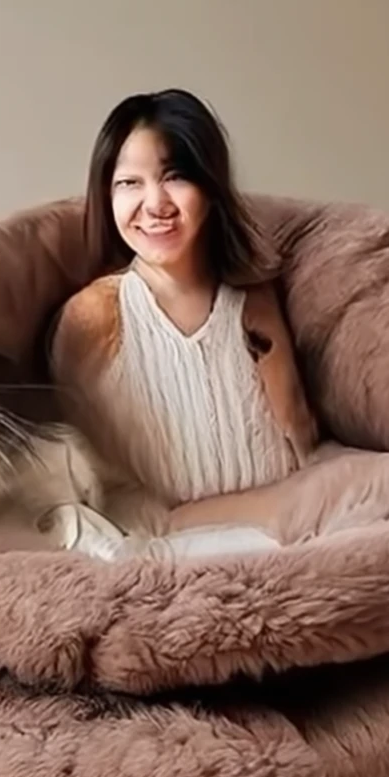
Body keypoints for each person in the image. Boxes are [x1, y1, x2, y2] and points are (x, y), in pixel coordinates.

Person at [47, 88, 325, 544]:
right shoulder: (94, 315)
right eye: (128, 183)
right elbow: (76, 470)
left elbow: (301, 436)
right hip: (164, 542)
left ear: (210, 189)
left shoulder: (255, 297)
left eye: (174, 176)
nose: (155, 204)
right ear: (106, 196)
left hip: (287, 528)